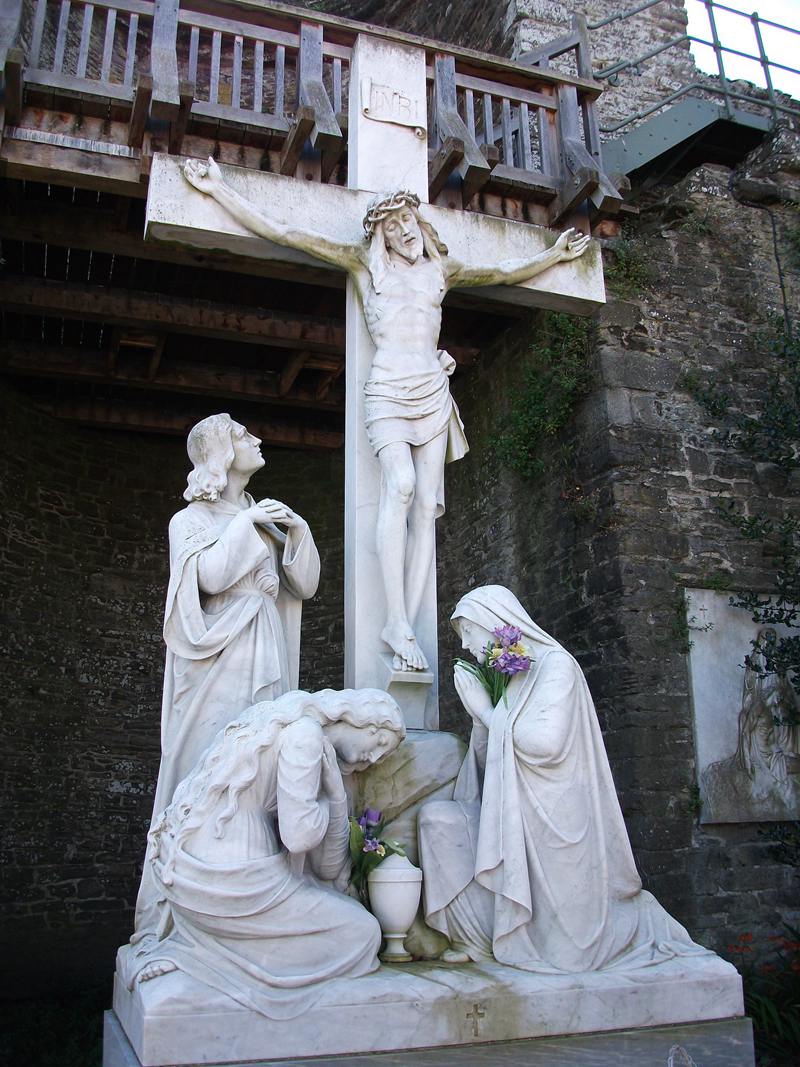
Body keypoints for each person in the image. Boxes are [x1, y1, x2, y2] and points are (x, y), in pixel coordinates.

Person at [182, 161, 590, 672]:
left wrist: (552, 255)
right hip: (389, 392)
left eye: (409, 224)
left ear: (421, 226)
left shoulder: (444, 269)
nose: (404, 233)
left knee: (424, 508)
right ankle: (393, 619)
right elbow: (285, 232)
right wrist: (221, 189)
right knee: (398, 487)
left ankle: (409, 619)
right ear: (382, 237)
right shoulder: (364, 266)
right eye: (392, 228)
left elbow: (505, 271)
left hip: (432, 392)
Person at [418, 585, 712, 973]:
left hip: (555, 822)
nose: (469, 646)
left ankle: (581, 931)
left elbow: (545, 745)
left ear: (494, 624)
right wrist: (480, 719)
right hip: (518, 813)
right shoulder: (514, 674)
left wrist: (486, 712)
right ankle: (478, 938)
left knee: (568, 948)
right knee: (438, 821)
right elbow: (496, 767)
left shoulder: (557, 666)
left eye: (469, 633)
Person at [133, 412, 320, 940]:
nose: (256, 438)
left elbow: (302, 587)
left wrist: (297, 533)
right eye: (242, 434)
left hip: (266, 648)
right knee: (206, 767)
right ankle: (184, 909)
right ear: (218, 451)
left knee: (261, 767)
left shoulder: (264, 516)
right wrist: (249, 524)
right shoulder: (189, 521)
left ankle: (256, 895)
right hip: (217, 662)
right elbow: (211, 577)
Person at [119, 689, 405, 1019]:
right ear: (360, 721)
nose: (372, 759)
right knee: (363, 933)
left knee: (339, 918)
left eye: (382, 757)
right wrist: (335, 799)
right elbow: (299, 837)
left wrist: (334, 797)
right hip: (235, 878)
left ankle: (200, 946)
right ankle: (194, 956)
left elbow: (325, 868)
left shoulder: (281, 719)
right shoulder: (305, 736)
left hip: (196, 867)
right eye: (379, 742)